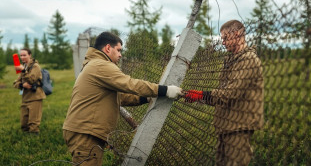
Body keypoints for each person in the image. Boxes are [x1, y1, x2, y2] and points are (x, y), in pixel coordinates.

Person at [63, 32, 183, 166]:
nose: (120, 55)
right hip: (85, 133)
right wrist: (165, 90)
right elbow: (130, 84)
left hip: (84, 130)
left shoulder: (94, 65)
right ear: (108, 48)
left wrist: (147, 97)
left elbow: (121, 97)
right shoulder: (100, 65)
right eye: (118, 50)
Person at [184, 20, 264, 166]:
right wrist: (201, 97)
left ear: (237, 34)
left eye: (226, 38)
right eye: (222, 39)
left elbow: (229, 94)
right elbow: (221, 93)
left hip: (239, 126)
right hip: (227, 125)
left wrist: (202, 95)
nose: (223, 42)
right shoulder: (231, 59)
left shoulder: (248, 60)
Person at [13, 48, 46, 135]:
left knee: (33, 123)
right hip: (25, 97)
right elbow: (15, 83)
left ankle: (34, 141)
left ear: (30, 55)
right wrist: (21, 85)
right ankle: (25, 138)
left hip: (35, 97)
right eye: (21, 55)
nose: (22, 57)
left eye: (24, 55)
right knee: (24, 124)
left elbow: (31, 80)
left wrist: (23, 71)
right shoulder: (24, 66)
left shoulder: (35, 66)